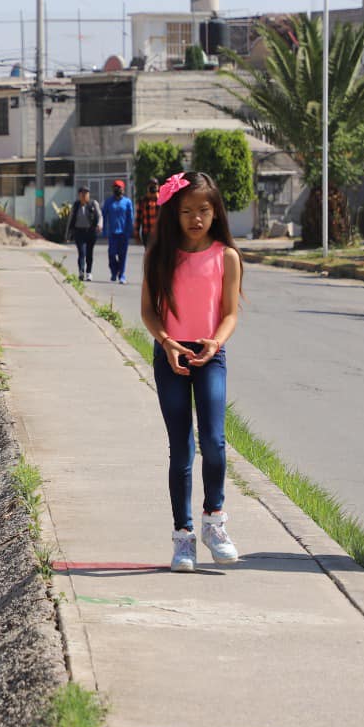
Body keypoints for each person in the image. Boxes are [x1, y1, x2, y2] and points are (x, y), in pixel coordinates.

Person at [139, 171, 244, 572]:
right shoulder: (159, 256)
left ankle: (213, 520)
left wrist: (215, 342)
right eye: (186, 211)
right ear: (173, 214)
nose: (196, 218)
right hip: (171, 354)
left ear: (216, 211)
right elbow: (148, 311)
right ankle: (183, 537)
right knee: (181, 449)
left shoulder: (227, 256)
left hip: (210, 353)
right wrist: (167, 343)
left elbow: (231, 313)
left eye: (204, 210)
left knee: (215, 440)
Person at [102, 179, 135, 282]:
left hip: (123, 233)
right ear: (113, 189)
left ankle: (122, 275)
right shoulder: (108, 202)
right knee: (111, 254)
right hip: (112, 233)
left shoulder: (127, 202)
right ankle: (114, 271)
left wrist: (130, 231)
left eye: (119, 187)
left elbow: (130, 218)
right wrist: (104, 231)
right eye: (115, 187)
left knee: (122, 255)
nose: (117, 189)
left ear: (123, 189)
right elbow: (104, 216)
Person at [65, 186, 102, 281]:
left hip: (91, 232)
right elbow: (70, 219)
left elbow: (100, 216)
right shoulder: (76, 205)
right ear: (79, 195)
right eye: (83, 193)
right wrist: (68, 234)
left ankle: (89, 272)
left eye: (86, 193)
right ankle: (81, 272)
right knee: (81, 253)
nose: (85, 195)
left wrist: (99, 224)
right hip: (79, 232)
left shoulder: (93, 203)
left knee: (89, 253)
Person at [136, 177, 159, 246]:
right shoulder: (142, 201)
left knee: (161, 255)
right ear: (147, 187)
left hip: (160, 233)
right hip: (147, 233)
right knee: (150, 255)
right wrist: (136, 233)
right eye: (150, 185)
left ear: (158, 186)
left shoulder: (163, 200)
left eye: (155, 185)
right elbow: (138, 218)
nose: (153, 187)